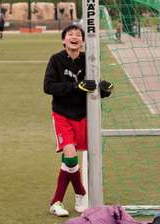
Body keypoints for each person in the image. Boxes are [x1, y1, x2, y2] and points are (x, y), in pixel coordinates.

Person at [43, 24, 113, 217]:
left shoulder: (88, 61)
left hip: (85, 116)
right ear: (64, 40)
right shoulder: (56, 60)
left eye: (78, 35)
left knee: (69, 160)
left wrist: (105, 90)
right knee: (71, 156)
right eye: (70, 34)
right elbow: (48, 87)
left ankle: (57, 202)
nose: (74, 37)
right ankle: (79, 194)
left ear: (83, 41)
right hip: (63, 115)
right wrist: (75, 86)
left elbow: (93, 88)